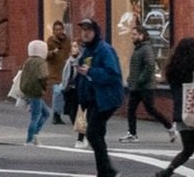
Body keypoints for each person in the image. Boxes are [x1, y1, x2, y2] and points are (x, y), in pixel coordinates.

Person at [75, 17, 125, 177]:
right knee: (98, 134)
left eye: (89, 30)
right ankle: (104, 171)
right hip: (93, 99)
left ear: (95, 32)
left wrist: (90, 72)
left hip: (107, 98)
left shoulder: (104, 50)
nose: (85, 33)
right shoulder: (86, 50)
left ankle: (107, 171)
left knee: (93, 134)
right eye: (83, 30)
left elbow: (113, 74)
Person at [161, 36, 194, 177]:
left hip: (182, 113)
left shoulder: (174, 68)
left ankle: (168, 170)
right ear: (193, 51)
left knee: (187, 149)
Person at [125, 26, 176, 141]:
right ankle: (132, 134)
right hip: (137, 86)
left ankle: (170, 127)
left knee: (150, 109)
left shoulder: (146, 49)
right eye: (132, 34)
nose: (132, 37)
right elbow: (138, 67)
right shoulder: (138, 49)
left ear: (141, 35)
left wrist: (140, 80)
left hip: (145, 86)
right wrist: (131, 78)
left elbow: (150, 66)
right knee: (131, 109)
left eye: (134, 34)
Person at [19, 38, 50, 144]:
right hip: (36, 91)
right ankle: (30, 138)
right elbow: (43, 76)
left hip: (28, 90)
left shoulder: (27, 61)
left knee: (45, 113)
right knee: (36, 116)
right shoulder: (41, 62)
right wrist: (44, 87)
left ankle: (35, 134)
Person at [46, 20, 71, 121]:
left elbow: (70, 51)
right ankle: (56, 115)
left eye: (60, 29)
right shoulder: (50, 41)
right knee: (57, 93)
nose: (58, 31)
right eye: (56, 30)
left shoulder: (67, 40)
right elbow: (46, 55)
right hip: (55, 70)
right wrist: (52, 52)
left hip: (66, 70)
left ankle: (65, 112)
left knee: (65, 93)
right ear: (53, 31)